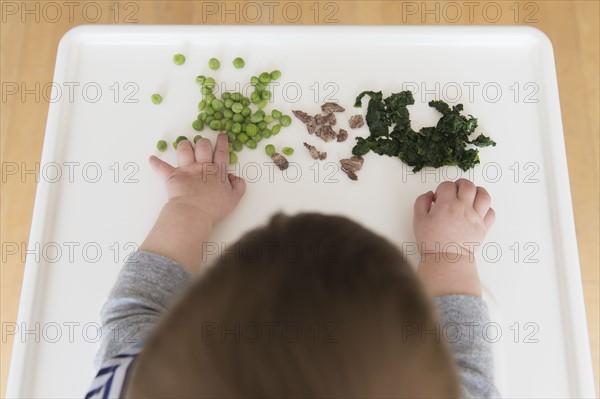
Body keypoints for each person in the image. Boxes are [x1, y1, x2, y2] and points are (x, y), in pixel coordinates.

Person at [86, 133, 500, 398]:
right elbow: (468, 370)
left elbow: (136, 307)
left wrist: (190, 207)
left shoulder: (141, 383)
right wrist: (450, 254)